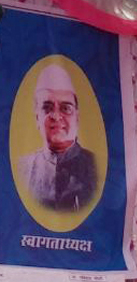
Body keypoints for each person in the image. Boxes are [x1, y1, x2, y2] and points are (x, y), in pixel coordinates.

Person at [17, 62, 97, 212]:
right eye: (47, 108)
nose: (56, 116)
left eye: (66, 108)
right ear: (37, 118)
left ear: (77, 117)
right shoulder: (21, 170)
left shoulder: (96, 168)